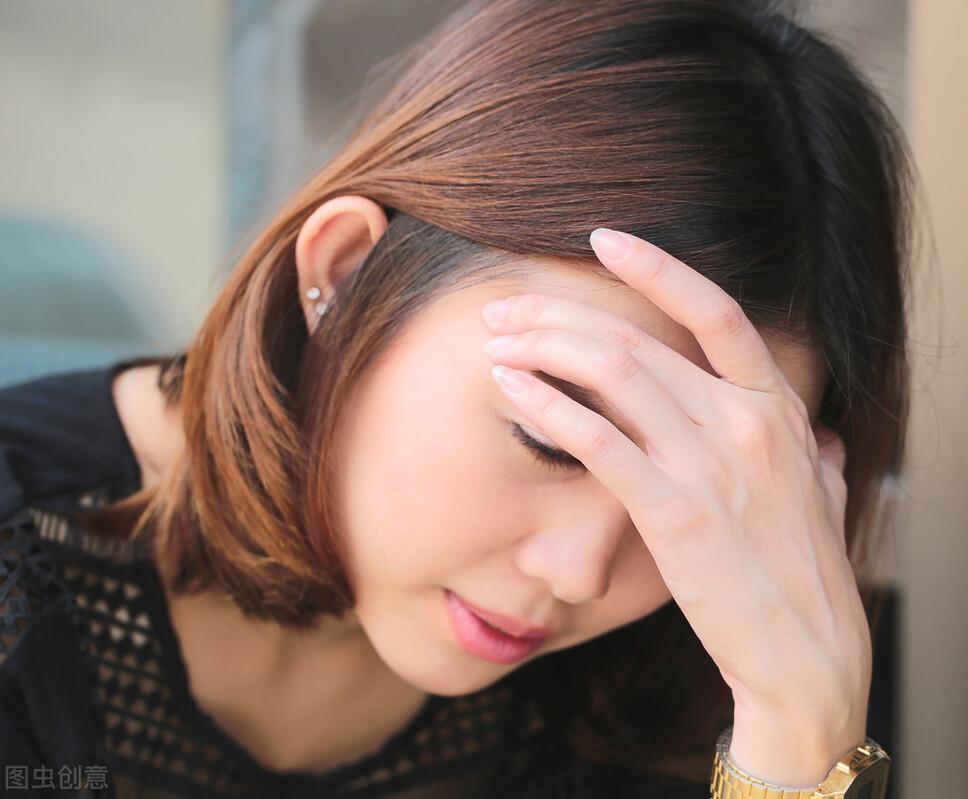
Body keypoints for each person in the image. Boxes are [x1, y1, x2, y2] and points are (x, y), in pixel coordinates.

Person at [0, 0, 913, 796]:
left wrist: (799, 739)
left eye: (686, 492)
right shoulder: (24, 573)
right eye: (549, 438)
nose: (580, 573)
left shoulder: (700, 678)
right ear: (344, 273)